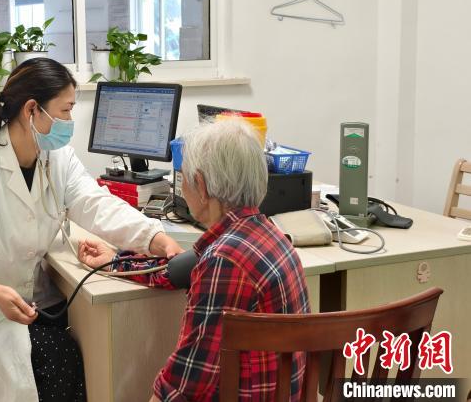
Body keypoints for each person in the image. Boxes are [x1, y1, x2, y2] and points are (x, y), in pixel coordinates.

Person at [0, 57, 182, 402]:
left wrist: (155, 238)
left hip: (26, 303)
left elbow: (95, 203)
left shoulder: (57, 158)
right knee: (59, 357)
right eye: (65, 111)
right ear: (32, 110)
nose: (70, 122)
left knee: (87, 340)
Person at [78, 119, 311, 402]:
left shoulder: (224, 261)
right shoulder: (267, 235)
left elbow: (185, 385)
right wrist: (116, 262)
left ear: (200, 185)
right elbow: (176, 269)